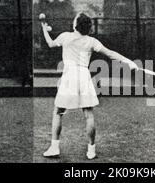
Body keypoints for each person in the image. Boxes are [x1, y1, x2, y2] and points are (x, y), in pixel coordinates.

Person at [41, 13, 138, 159]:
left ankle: (54, 148)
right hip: (84, 76)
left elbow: (50, 43)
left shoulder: (65, 36)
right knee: (88, 115)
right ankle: (91, 150)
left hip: (69, 76)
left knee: (58, 112)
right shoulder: (91, 41)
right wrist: (129, 61)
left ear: (75, 25)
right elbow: (110, 53)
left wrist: (43, 28)